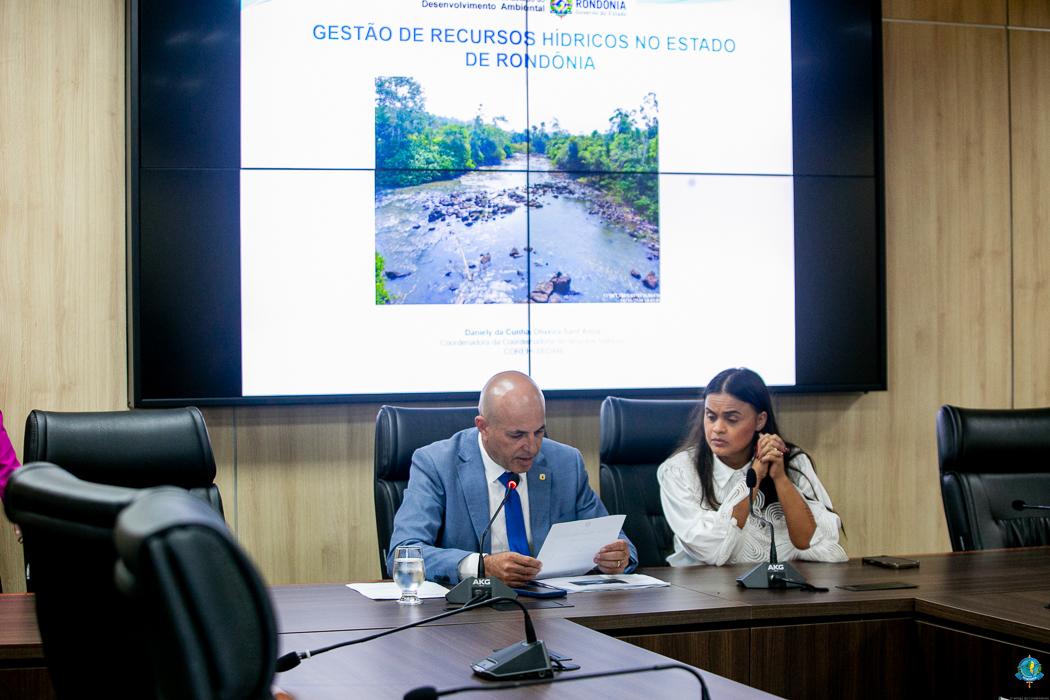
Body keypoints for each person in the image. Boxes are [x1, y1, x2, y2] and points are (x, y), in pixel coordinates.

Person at [388, 370, 637, 587]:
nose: (532, 446)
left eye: (539, 432)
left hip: (552, 609)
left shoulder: (565, 462)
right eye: (517, 435)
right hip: (470, 614)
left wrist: (616, 557)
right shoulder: (437, 463)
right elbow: (404, 552)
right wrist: (482, 566)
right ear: (483, 426)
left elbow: (619, 543)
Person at [657, 367, 846, 566]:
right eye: (711, 416)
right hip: (703, 589)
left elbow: (814, 543)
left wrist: (780, 478)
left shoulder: (793, 461)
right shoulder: (679, 471)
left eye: (731, 419)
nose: (717, 429)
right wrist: (755, 474)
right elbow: (712, 551)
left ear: (760, 420)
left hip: (780, 589)